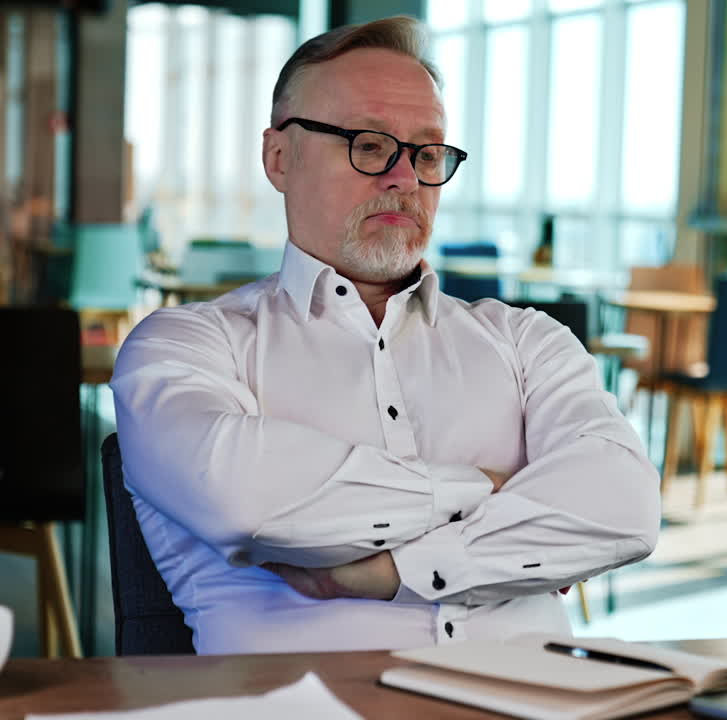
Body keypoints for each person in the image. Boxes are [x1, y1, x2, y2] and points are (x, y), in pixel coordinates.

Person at [110, 16, 661, 655]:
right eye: (369, 145)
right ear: (279, 157)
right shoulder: (185, 347)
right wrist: (490, 491)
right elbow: (242, 500)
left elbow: (623, 507)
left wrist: (391, 572)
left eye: (427, 153)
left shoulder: (527, 342)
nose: (404, 177)